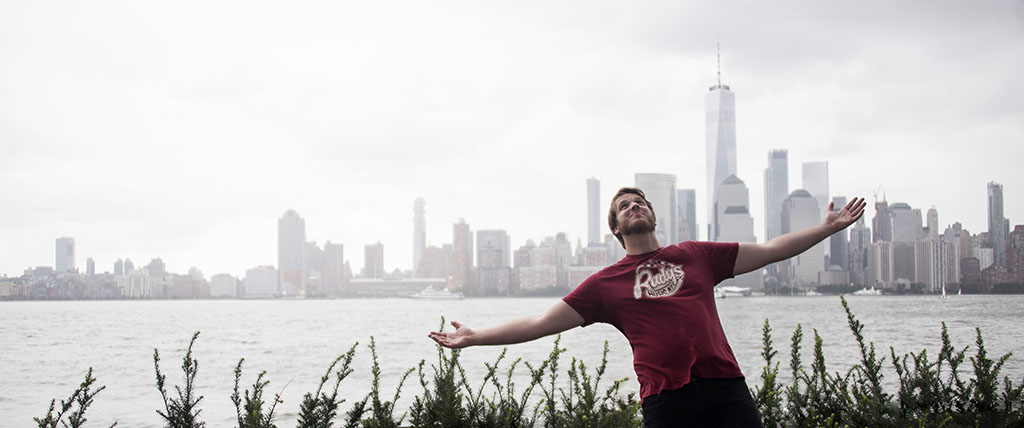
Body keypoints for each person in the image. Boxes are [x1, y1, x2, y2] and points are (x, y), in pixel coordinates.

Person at [429, 187, 866, 428]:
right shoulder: (606, 284)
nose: (633, 206)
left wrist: (825, 229)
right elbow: (543, 322)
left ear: (653, 215)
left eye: (639, 202)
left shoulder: (696, 254)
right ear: (617, 228)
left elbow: (771, 249)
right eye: (623, 206)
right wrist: (475, 337)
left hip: (725, 388)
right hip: (666, 402)